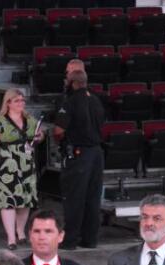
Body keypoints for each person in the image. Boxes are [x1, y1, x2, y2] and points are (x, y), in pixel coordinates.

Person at [0, 89, 44, 250]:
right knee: (7, 201)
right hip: (7, 165)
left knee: (24, 201)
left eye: (22, 100)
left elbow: (40, 136)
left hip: (26, 164)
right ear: (8, 103)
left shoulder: (30, 120)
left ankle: (20, 232)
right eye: (17, 101)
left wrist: (38, 137)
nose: (21, 103)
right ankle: (11, 238)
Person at [53, 69, 105, 250]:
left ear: (73, 83)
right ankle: (90, 239)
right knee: (93, 198)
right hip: (97, 153)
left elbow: (59, 131)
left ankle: (69, 240)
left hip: (79, 153)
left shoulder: (70, 102)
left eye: (67, 79)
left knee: (74, 197)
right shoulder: (96, 100)